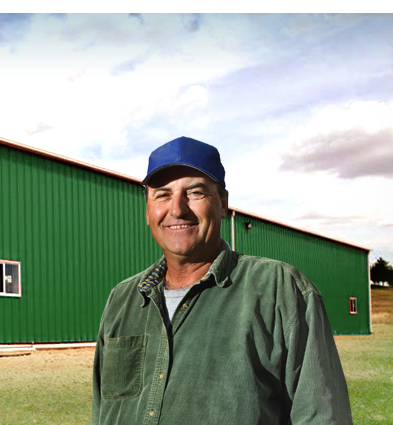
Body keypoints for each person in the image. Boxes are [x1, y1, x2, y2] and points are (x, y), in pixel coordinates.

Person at [91, 136, 353, 425]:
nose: (177, 209)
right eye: (162, 195)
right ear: (148, 210)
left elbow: (323, 417)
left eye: (195, 192)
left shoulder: (279, 289)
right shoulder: (122, 299)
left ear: (223, 203)